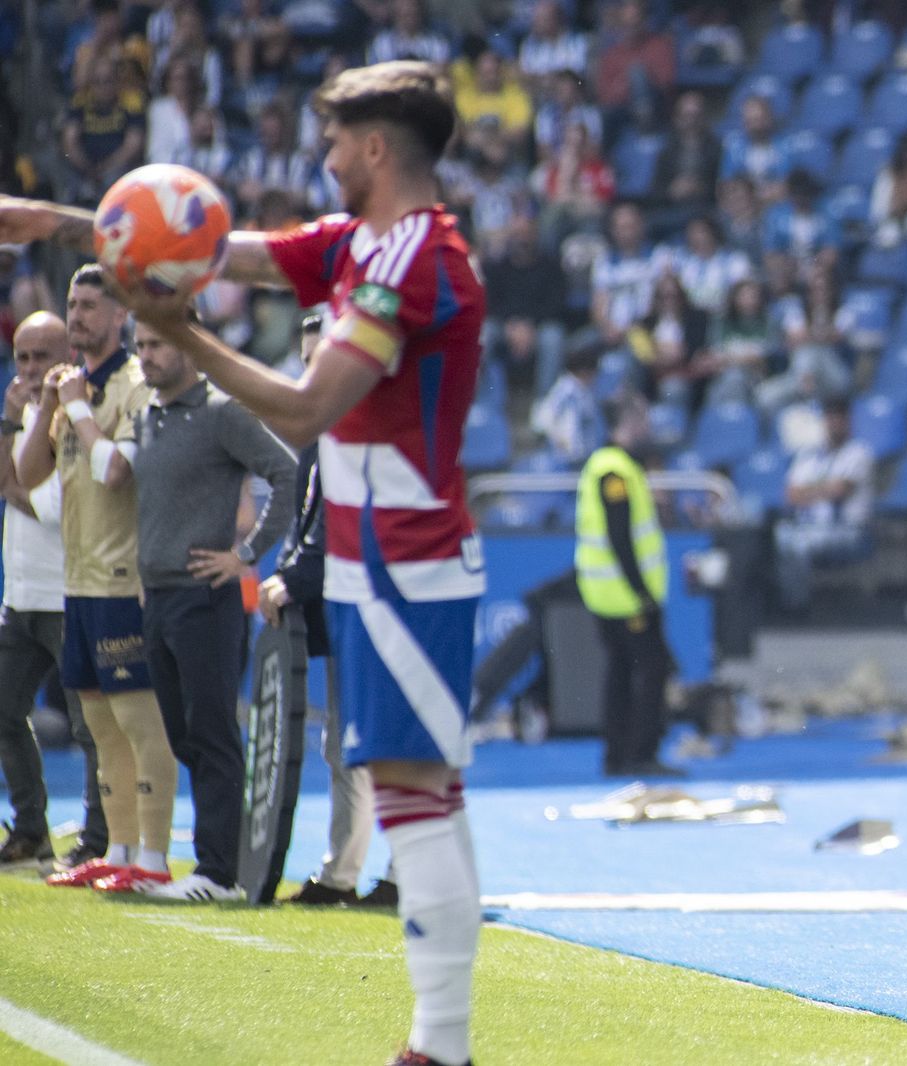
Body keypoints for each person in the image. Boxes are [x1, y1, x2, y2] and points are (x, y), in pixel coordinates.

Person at [0, 60, 486, 1066]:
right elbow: (227, 250)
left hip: (410, 552)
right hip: (372, 552)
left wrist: (182, 331)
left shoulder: (412, 262)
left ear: (378, 149)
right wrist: (60, 220)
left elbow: (309, 407)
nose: (323, 157)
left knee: (416, 792)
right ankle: (440, 1042)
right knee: (409, 788)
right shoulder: (364, 242)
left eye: (336, 141)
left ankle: (441, 1044)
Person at [14, 266, 179, 894]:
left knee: (140, 721)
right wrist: (50, 405)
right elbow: (30, 475)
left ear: (120, 316)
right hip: (77, 578)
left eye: (90, 307)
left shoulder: (135, 386)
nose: (78, 316)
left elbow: (119, 476)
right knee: (100, 724)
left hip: (121, 574)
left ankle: (155, 860)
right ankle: (119, 847)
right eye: (74, 304)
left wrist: (78, 405)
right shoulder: (70, 387)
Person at [126, 310, 297, 901]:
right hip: (160, 598)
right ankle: (215, 860)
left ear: (190, 350)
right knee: (184, 737)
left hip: (206, 596)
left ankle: (218, 872)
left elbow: (287, 472)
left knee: (213, 732)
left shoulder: (222, 413)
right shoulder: (144, 417)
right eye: (141, 344)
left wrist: (245, 554)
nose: (146, 355)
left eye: (157, 344)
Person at [271, 314, 393, 907]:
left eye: (326, 357)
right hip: (358, 606)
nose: (314, 371)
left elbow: (339, 527)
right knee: (359, 743)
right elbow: (313, 522)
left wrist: (292, 577)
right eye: (308, 359)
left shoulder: (360, 428)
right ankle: (359, 871)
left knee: (375, 742)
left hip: (383, 607)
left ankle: (368, 874)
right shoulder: (326, 429)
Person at [0, 312, 106, 871]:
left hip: (70, 594)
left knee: (92, 727)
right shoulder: (25, 418)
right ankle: (31, 829)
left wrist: (17, 423)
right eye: (23, 356)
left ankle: (98, 836)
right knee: (3, 711)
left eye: (44, 355)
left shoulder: (79, 419)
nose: (32, 368)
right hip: (21, 595)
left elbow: (27, 495)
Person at [575, 392, 679, 779]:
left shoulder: (608, 466)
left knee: (619, 671)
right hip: (625, 596)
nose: (647, 428)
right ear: (628, 423)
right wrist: (641, 593)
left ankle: (616, 754)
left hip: (609, 594)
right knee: (650, 672)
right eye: (642, 420)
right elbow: (621, 538)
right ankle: (640, 753)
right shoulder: (614, 471)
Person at [773, 396, 875, 612]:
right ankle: (781, 603)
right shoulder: (809, 454)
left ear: (848, 421)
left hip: (847, 529)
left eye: (840, 417)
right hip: (808, 526)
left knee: (799, 545)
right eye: (831, 416)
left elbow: (839, 491)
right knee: (779, 535)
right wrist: (823, 488)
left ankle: (797, 608)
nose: (835, 422)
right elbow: (791, 495)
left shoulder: (859, 452)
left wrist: (808, 490)